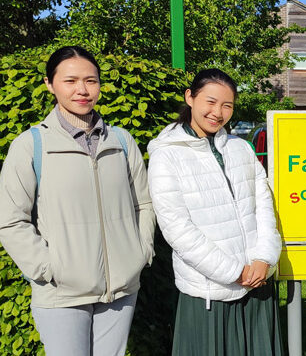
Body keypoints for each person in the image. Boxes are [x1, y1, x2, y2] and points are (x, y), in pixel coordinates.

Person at [0, 46, 155, 356]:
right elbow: (11, 220)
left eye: (91, 80)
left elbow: (144, 204)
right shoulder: (32, 146)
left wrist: (141, 252)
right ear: (49, 83)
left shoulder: (122, 141)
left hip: (121, 290)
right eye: (70, 81)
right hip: (61, 292)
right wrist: (47, 269)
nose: (82, 90)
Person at [147, 68, 283, 356]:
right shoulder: (167, 155)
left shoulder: (240, 149)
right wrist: (233, 272)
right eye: (210, 102)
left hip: (256, 284)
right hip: (210, 292)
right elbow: (177, 229)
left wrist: (264, 258)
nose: (218, 113)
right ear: (190, 97)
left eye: (227, 105)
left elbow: (264, 208)